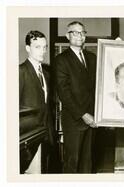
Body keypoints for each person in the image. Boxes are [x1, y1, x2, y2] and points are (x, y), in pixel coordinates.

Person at [54, 21, 97, 173]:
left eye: (82, 32)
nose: (80, 36)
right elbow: (64, 94)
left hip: (92, 119)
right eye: (75, 32)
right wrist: (83, 115)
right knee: (72, 163)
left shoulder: (92, 58)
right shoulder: (61, 60)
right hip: (74, 121)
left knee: (87, 163)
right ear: (68, 36)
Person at [19, 30, 55, 173]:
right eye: (37, 47)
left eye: (44, 47)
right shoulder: (20, 71)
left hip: (46, 134)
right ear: (28, 48)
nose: (43, 51)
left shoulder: (46, 73)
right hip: (28, 137)